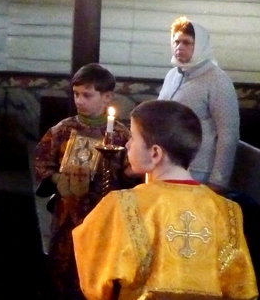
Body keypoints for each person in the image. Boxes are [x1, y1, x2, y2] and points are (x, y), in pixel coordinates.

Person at [72, 100, 257, 300]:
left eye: (133, 137)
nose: (127, 145)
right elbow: (241, 288)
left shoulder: (121, 204)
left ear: (155, 153)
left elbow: (96, 279)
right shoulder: (227, 210)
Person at [34, 63, 132, 300]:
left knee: (98, 264)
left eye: (87, 95)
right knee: (64, 265)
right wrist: (57, 178)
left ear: (107, 97)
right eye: (76, 94)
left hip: (105, 212)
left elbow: (131, 172)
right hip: (69, 211)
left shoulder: (121, 135)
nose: (79, 100)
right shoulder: (62, 130)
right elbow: (42, 161)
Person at [158, 16, 239, 190]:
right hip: (167, 164)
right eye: (176, 42)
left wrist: (218, 181)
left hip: (199, 170)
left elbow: (228, 135)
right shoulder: (172, 75)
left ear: (201, 45)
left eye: (187, 43)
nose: (179, 47)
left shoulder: (218, 80)